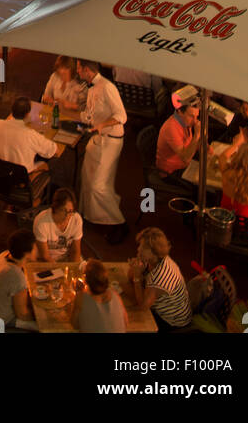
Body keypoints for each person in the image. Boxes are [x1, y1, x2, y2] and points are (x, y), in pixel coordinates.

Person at [76, 58, 128, 244]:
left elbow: (121, 116)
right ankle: (92, 216)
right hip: (98, 139)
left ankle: (118, 222)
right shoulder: (91, 88)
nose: (77, 72)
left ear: (86, 70)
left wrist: (101, 125)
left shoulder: (107, 87)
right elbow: (90, 114)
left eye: (78, 69)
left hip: (109, 141)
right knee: (88, 177)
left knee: (99, 185)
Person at [0, 97, 63, 181]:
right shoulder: (31, 134)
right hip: (21, 180)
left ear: (12, 111)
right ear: (27, 114)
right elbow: (54, 151)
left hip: (0, 174)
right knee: (48, 162)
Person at [128, 227, 192, 331]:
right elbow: (130, 277)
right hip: (159, 308)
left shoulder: (160, 277)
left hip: (171, 322)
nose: (138, 249)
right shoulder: (152, 259)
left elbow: (143, 307)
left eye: (143, 248)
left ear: (154, 251)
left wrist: (137, 277)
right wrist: (135, 272)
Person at [0, 229, 37, 331]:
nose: (37, 250)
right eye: (35, 248)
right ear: (27, 253)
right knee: (42, 327)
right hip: (1, 321)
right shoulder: (16, 276)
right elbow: (22, 314)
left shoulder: (4, 255)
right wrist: (39, 317)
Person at [156, 89, 202, 184]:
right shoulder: (171, 128)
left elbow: (189, 145)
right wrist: (197, 135)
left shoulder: (186, 122)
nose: (195, 121)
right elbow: (186, 158)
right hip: (170, 173)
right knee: (203, 187)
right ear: (180, 111)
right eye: (191, 116)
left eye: (197, 116)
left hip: (184, 166)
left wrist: (203, 145)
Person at [70, 259, 128, 333]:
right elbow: (125, 323)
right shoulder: (115, 295)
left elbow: (74, 325)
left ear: (86, 281)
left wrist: (79, 293)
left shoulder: (81, 298)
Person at [33, 188, 83, 263]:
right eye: (64, 210)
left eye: (70, 211)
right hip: (45, 261)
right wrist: (58, 270)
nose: (67, 216)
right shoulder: (41, 222)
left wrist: (73, 268)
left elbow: (75, 250)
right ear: (55, 208)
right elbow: (45, 255)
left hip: (66, 258)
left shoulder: (76, 219)